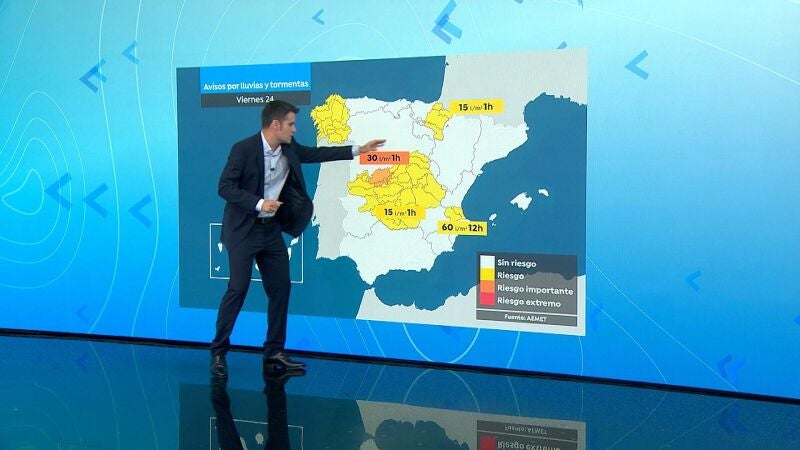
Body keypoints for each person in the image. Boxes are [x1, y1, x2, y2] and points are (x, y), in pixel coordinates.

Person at [210, 100, 385, 378]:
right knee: (238, 288)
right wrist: (259, 203)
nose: (294, 129)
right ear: (275, 125)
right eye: (291, 124)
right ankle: (219, 352)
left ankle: (274, 352)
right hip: (243, 230)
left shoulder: (289, 148)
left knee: (281, 288)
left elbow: (316, 153)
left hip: (270, 231)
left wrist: (358, 150)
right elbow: (225, 187)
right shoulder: (243, 149)